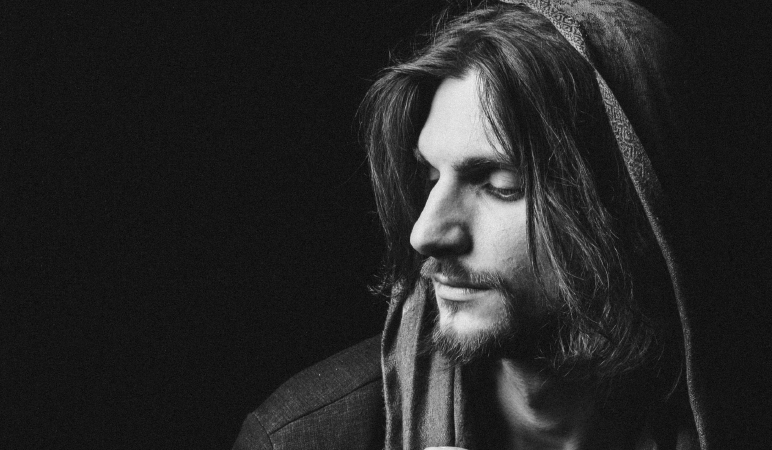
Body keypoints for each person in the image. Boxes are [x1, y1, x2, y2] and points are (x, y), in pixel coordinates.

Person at [234, 1, 713, 448]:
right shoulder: (299, 438)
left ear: (635, 208)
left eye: (500, 185)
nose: (426, 234)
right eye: (429, 177)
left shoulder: (751, 413)